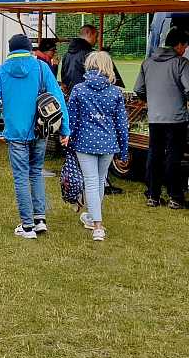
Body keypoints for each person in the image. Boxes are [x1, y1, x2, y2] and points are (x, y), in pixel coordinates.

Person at [0, 34, 70, 239]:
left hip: (15, 133)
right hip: (40, 131)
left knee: (21, 176)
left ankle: (27, 226)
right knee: (35, 172)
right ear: (29, 49)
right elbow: (58, 99)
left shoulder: (2, 71)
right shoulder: (41, 68)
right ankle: (40, 219)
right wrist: (65, 130)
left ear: (10, 50)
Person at [68, 51, 129, 241]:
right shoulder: (115, 92)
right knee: (99, 180)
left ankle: (97, 225)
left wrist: (69, 139)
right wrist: (124, 150)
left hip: (84, 142)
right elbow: (122, 124)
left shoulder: (79, 90)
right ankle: (93, 219)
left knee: (92, 181)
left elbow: (72, 120)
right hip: (108, 143)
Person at [133, 27, 189, 209]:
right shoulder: (181, 63)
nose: (185, 50)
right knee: (174, 157)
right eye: (185, 46)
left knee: (154, 155)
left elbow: (139, 89)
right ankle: (175, 197)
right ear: (179, 45)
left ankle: (153, 195)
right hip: (176, 119)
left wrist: (153, 101)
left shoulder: (147, 62)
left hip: (154, 118)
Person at [61, 24, 98, 92]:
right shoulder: (92, 55)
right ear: (89, 33)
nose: (96, 40)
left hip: (71, 95)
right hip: (86, 95)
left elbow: (63, 77)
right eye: (95, 37)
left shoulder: (66, 55)